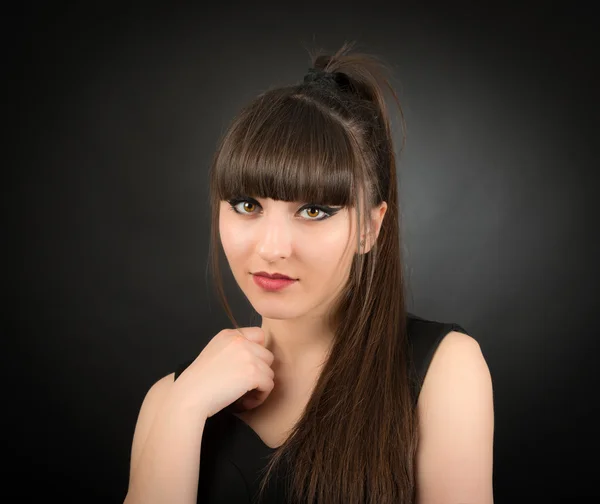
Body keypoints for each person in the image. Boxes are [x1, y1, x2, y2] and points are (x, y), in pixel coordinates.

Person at [123, 41, 494, 504]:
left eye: (315, 211)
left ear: (370, 228)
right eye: (247, 205)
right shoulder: (170, 399)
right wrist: (182, 411)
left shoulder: (443, 369)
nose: (272, 248)